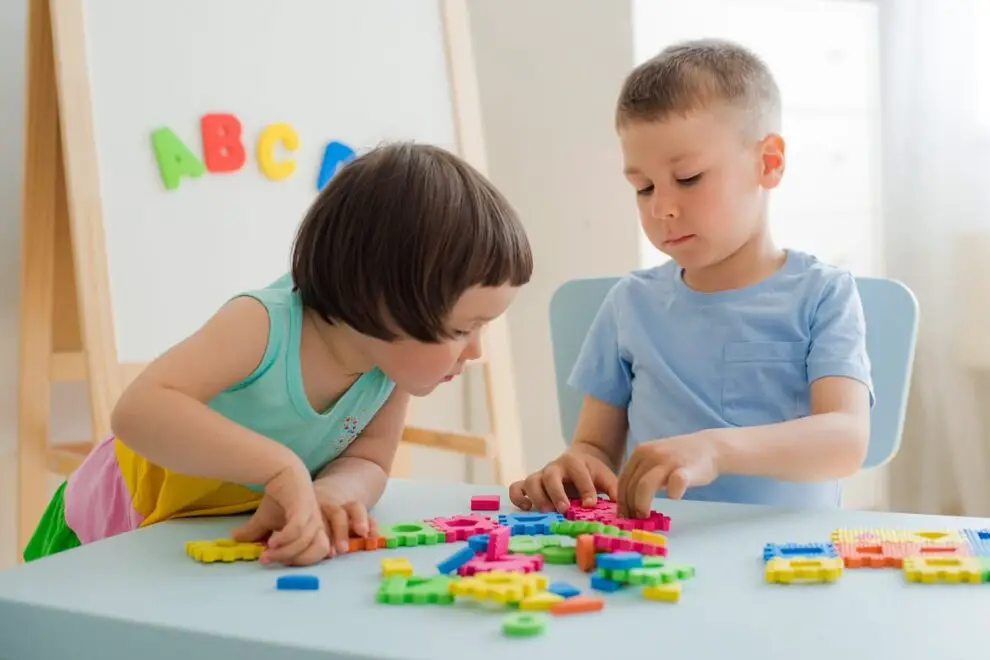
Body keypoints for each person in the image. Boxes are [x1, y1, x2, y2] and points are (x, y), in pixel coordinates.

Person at [25, 142, 533, 566]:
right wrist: (281, 468)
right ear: (382, 300)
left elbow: (370, 458)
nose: (475, 350)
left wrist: (334, 492)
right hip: (115, 523)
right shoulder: (263, 324)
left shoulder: (387, 369)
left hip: (208, 536)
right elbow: (137, 412)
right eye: (462, 328)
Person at [509, 38, 873, 518]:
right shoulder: (629, 304)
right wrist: (572, 472)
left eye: (687, 178)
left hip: (791, 559)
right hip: (662, 558)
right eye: (643, 188)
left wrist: (716, 450)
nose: (662, 207)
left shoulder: (822, 293)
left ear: (768, 163)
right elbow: (594, 448)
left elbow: (846, 439)